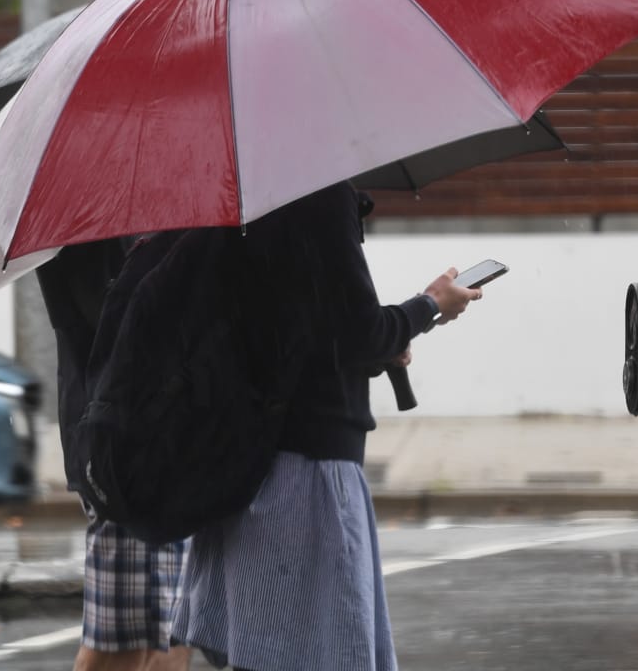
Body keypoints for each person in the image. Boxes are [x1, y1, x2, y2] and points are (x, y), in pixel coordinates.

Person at [169, 182, 483, 671]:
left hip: (245, 464)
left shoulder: (240, 191)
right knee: (318, 655)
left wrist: (382, 342)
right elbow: (359, 330)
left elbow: (299, 329)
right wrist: (429, 306)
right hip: (306, 472)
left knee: (264, 656)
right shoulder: (319, 192)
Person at [38, 237, 193, 671]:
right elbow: (116, 322)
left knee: (173, 633)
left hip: (165, 444)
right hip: (121, 450)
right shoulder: (86, 224)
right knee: (121, 643)